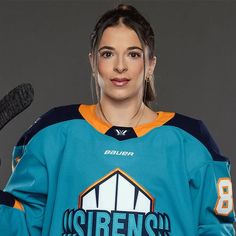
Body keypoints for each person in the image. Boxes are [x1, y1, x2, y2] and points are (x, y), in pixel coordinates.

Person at [0, 3, 235, 235]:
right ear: (93, 62)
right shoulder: (52, 133)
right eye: (108, 54)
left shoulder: (192, 143)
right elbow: (22, 226)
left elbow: (216, 229)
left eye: (133, 54)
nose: (120, 66)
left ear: (150, 64)